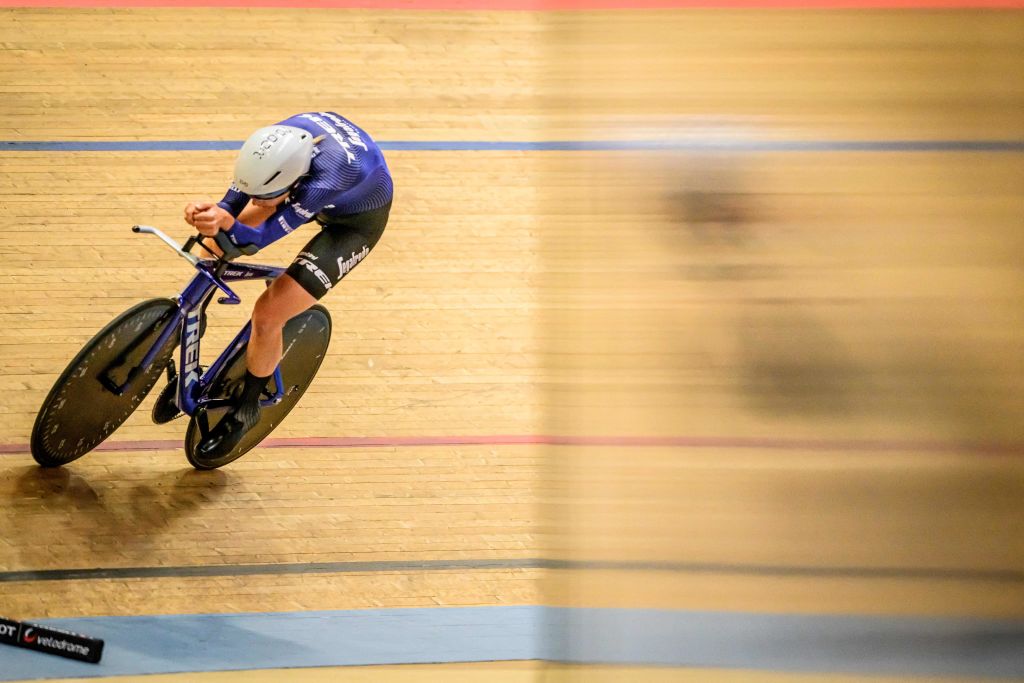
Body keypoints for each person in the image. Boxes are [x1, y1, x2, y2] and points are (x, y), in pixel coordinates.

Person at [175, 111, 393, 459]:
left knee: (268, 314)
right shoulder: (272, 144)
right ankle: (192, 321)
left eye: (267, 196)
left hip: (353, 224)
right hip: (311, 180)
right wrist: (209, 213)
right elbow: (232, 204)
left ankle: (246, 409)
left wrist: (225, 223)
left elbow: (256, 237)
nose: (258, 202)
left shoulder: (325, 181)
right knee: (212, 245)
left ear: (294, 182)